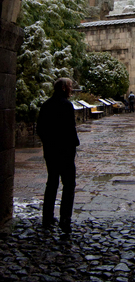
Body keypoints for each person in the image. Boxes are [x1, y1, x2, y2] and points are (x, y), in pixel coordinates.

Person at [37, 78, 80, 234]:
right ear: (63, 88)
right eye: (69, 86)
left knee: (52, 182)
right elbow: (70, 128)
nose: (71, 89)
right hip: (65, 152)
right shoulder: (66, 105)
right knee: (69, 185)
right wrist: (73, 145)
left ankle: (47, 217)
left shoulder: (46, 105)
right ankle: (65, 219)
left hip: (51, 151)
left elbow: (40, 128)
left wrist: (48, 143)